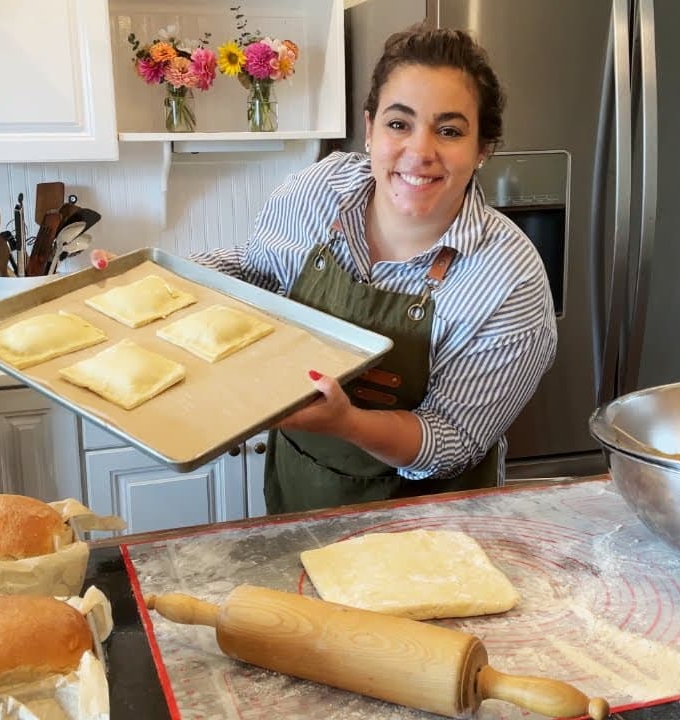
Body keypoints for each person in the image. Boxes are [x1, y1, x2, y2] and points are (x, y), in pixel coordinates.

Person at [185, 26, 557, 513]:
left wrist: (347, 423)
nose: (420, 152)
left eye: (449, 130)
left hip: (430, 524)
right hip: (300, 498)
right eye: (399, 124)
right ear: (370, 128)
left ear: (483, 149)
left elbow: (452, 440)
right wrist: (151, 283)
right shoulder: (318, 191)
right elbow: (260, 275)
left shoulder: (510, 280)